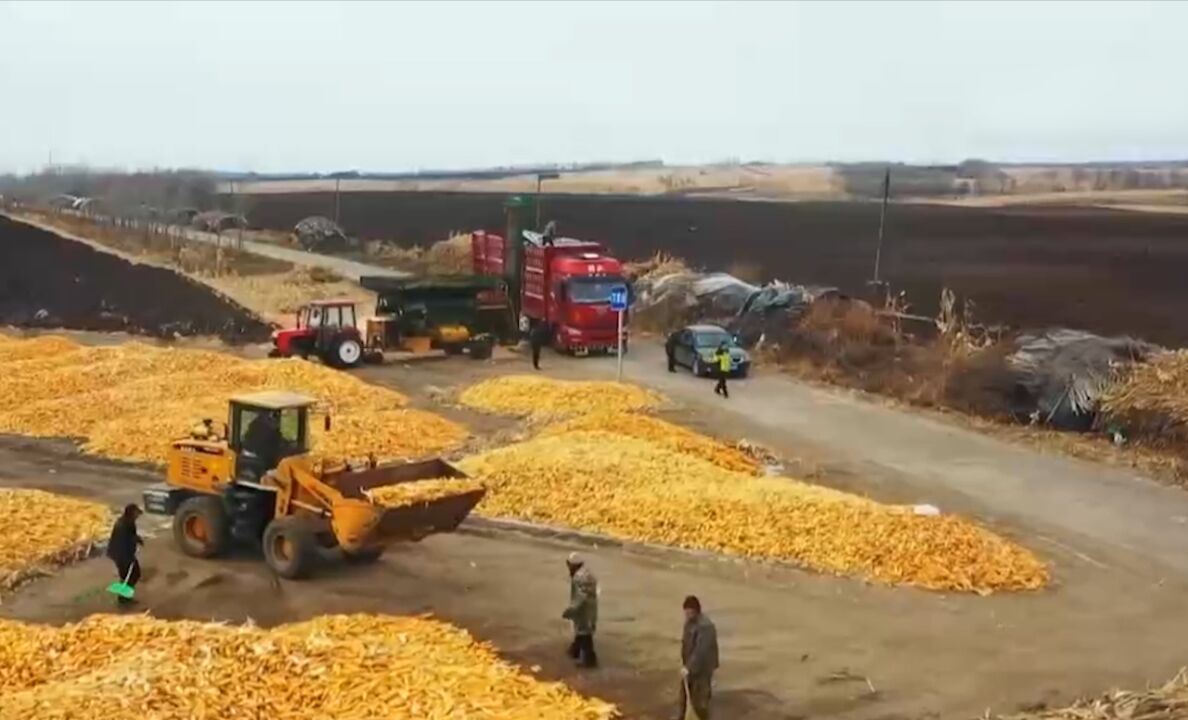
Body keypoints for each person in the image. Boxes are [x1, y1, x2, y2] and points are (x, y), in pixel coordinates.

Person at [677, 595, 719, 720]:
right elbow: (686, 644)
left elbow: (701, 651)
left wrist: (689, 667)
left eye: (689, 613)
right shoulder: (689, 622)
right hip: (690, 667)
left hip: (703, 670)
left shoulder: (705, 627)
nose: (687, 615)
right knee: (684, 698)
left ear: (696, 611)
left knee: (700, 702)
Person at [562, 551, 599, 668]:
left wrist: (570, 610)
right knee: (582, 631)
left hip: (584, 610)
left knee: (585, 634)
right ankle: (575, 650)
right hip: (590, 607)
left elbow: (580, 597)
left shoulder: (579, 577)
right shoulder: (586, 573)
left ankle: (589, 661)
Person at [106, 503, 144, 606]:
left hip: (124, 553)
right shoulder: (122, 525)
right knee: (130, 575)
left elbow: (131, 535)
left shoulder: (129, 522)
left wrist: (137, 539)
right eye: (136, 514)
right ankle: (123, 599)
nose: (137, 516)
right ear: (131, 514)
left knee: (132, 575)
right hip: (121, 555)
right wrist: (129, 558)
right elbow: (121, 544)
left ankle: (124, 596)